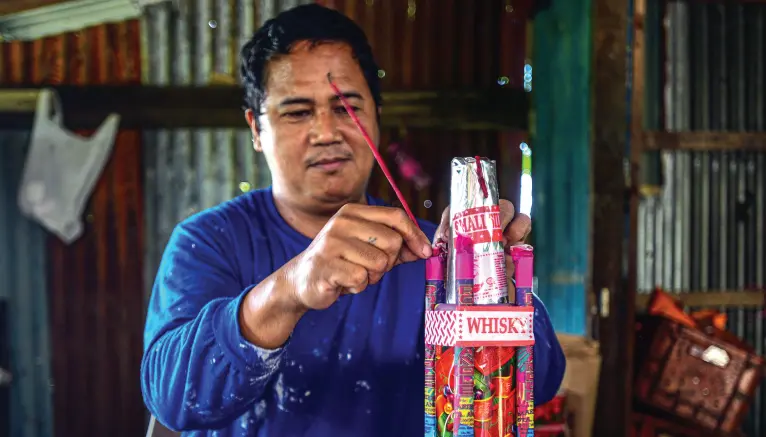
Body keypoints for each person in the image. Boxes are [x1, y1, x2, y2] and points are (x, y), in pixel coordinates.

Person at [140, 4, 565, 436]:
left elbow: (542, 384)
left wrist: (497, 288)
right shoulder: (207, 242)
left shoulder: (434, 252)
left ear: (376, 117)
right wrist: (289, 289)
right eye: (297, 111)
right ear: (255, 128)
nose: (327, 132)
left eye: (347, 108)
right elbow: (172, 401)